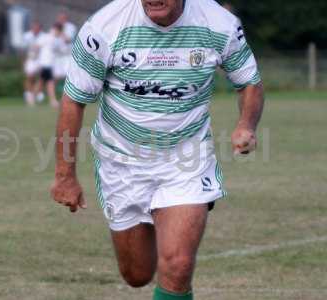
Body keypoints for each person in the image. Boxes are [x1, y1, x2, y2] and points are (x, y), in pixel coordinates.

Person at [51, 0, 264, 299]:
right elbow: (74, 101)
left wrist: (246, 124)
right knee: (137, 274)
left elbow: (249, 83)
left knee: (178, 264)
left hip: (187, 159)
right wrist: (65, 176)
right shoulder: (104, 27)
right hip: (121, 161)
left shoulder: (219, 24)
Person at [36, 23, 68, 108]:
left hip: (51, 64)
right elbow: (37, 46)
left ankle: (33, 97)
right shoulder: (47, 37)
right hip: (45, 63)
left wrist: (63, 40)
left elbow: (63, 50)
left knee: (42, 81)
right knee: (49, 81)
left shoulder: (58, 39)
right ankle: (52, 100)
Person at [21, 21, 44, 106]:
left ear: (40, 28)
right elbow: (22, 50)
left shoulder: (44, 36)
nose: (35, 29)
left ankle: (36, 94)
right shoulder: (27, 36)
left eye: (37, 28)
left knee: (41, 77)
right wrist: (23, 61)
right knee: (29, 76)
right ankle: (28, 94)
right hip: (30, 59)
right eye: (34, 27)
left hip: (40, 60)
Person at [53, 13, 78, 86]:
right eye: (59, 18)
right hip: (57, 55)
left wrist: (60, 32)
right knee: (56, 76)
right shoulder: (55, 27)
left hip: (68, 55)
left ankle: (69, 94)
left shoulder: (71, 27)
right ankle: (52, 94)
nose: (60, 20)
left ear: (66, 18)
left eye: (62, 18)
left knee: (69, 75)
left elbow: (68, 39)